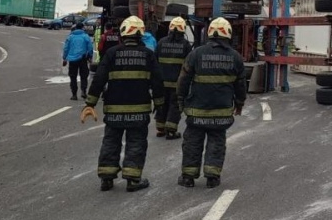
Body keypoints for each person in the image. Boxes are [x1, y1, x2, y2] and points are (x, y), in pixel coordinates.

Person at [81, 15, 164, 192]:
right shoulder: (148, 55)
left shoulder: (112, 54)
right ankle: (133, 180)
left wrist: (90, 103)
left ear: (123, 34)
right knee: (136, 143)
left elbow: (99, 79)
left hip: (114, 110)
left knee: (111, 142)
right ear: (141, 34)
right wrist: (159, 104)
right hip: (139, 110)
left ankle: (106, 178)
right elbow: (157, 82)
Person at [177, 17, 246, 189]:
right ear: (228, 34)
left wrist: (180, 99)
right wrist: (239, 103)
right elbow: (241, 84)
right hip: (221, 112)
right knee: (217, 142)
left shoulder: (196, 53)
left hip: (196, 110)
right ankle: (212, 177)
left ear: (209, 33)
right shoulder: (235, 57)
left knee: (192, 143)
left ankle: (188, 177)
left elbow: (184, 79)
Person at [154, 16, 192, 139]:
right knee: (175, 105)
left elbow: (155, 61)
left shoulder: (161, 42)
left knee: (162, 104)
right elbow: (188, 65)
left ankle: (160, 128)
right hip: (177, 83)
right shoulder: (186, 45)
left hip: (162, 82)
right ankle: (170, 130)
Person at [63, 22, 94, 100]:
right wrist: (90, 56)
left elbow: (66, 48)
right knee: (84, 76)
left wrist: (64, 58)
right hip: (83, 58)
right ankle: (83, 91)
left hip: (72, 60)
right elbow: (90, 47)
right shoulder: (86, 36)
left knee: (73, 77)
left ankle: (74, 95)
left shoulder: (70, 37)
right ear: (83, 28)